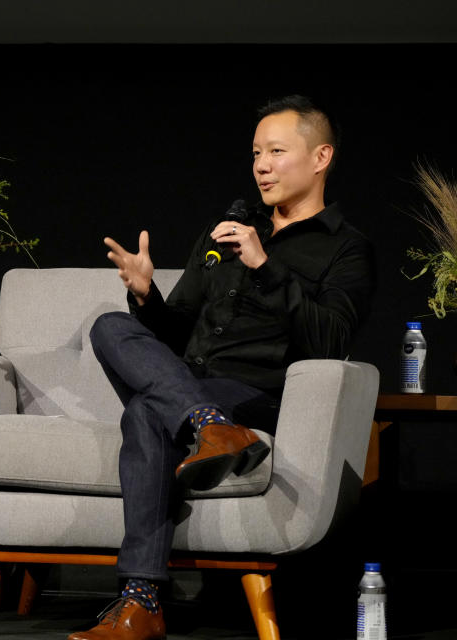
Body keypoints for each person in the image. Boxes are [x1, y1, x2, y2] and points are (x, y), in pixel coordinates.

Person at [70, 96, 376, 640]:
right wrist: (147, 297)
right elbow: (176, 330)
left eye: (277, 151)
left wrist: (266, 266)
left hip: (261, 394)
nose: (261, 165)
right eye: (257, 152)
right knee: (109, 326)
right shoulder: (226, 231)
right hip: (195, 388)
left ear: (321, 156)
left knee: (146, 409)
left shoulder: (347, 250)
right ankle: (210, 426)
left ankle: (140, 602)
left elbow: (330, 341)